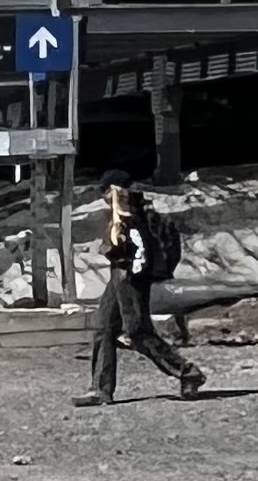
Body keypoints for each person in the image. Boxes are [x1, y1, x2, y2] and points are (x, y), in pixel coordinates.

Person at [77, 170, 205, 405]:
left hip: (131, 277)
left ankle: (187, 372)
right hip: (120, 274)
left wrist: (129, 267)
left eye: (106, 191)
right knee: (103, 328)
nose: (104, 197)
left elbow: (138, 248)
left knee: (138, 332)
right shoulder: (125, 209)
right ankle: (100, 388)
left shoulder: (131, 210)